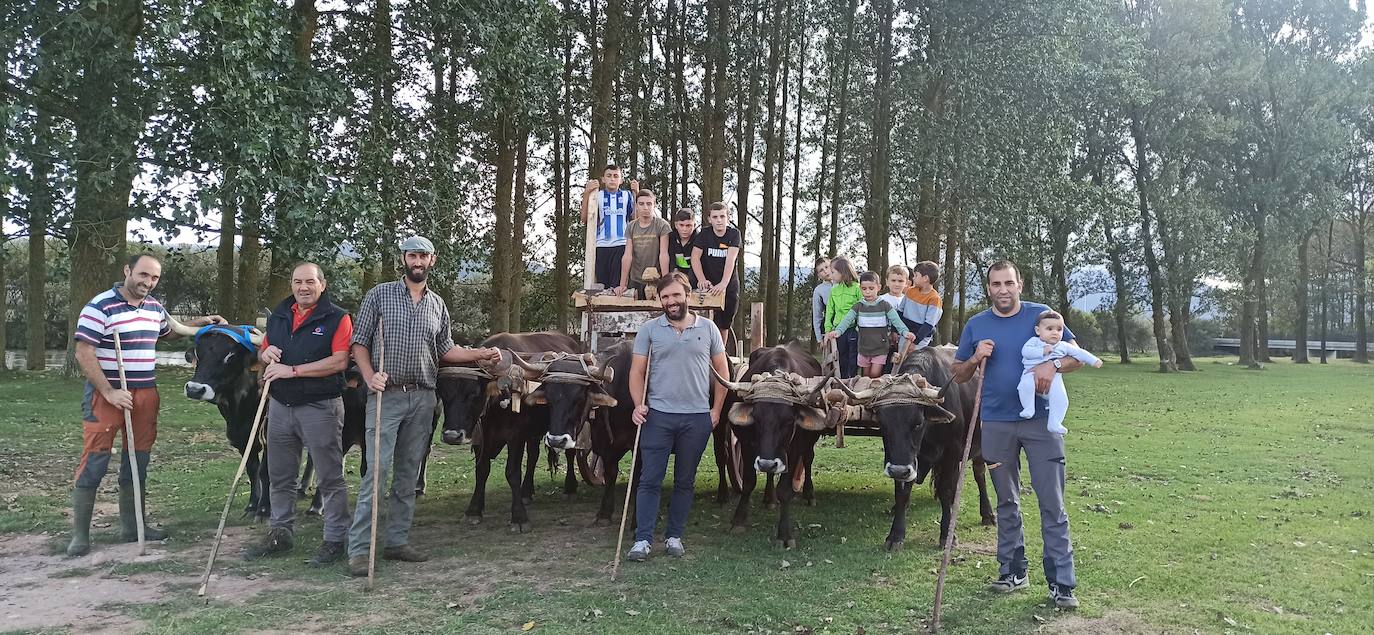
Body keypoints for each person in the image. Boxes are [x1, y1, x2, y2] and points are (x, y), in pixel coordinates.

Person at [347, 236, 501, 577]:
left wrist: (480, 354)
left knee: (407, 474)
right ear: (404, 258)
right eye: (413, 255)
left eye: (424, 256)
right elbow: (358, 342)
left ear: (432, 261)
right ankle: (360, 550)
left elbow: (445, 350)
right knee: (377, 472)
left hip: (424, 398)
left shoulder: (438, 305)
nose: (418, 261)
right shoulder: (379, 295)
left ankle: (397, 541)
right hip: (386, 396)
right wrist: (370, 375)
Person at [68, 254, 224, 556]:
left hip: (145, 393)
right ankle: (80, 536)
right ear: (128, 271)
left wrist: (202, 322)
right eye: (143, 275)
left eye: (153, 278)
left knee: (137, 460)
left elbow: (167, 332)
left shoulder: (154, 308)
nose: (148, 282)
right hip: (108, 394)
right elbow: (83, 352)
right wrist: (110, 392)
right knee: (96, 460)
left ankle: (132, 527)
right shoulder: (100, 306)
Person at [952, 260, 1084, 609]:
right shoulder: (976, 325)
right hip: (995, 424)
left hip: (1041, 424)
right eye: (996, 284)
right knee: (1006, 500)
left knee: (1051, 503)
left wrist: (1050, 365)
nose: (1003, 290)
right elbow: (959, 374)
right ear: (989, 288)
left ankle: (1061, 583)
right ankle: (1012, 570)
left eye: (1008, 283)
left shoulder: (1041, 315)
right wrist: (975, 357)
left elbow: (1075, 357)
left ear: (1020, 284)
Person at [243, 262, 354, 566]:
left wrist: (292, 371)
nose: (303, 287)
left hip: (321, 406)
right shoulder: (278, 315)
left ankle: (335, 539)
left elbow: (339, 362)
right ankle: (280, 532)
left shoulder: (337, 318)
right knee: (280, 475)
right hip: (280, 407)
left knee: (329, 477)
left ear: (322, 284)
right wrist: (264, 355)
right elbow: (264, 350)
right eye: (297, 282)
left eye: (309, 282)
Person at [626, 272, 729, 562]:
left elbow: (723, 374)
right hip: (657, 415)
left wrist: (716, 410)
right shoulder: (650, 330)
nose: (671, 301)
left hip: (696, 418)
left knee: (685, 480)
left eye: (675, 295)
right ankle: (643, 540)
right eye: (665, 297)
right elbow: (637, 372)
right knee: (650, 479)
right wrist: (638, 404)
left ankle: (674, 536)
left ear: (687, 295)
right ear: (660, 300)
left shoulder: (708, 329)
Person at [1018, 310, 1103, 434]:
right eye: (1049, 329)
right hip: (1030, 374)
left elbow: (1079, 353)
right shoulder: (1034, 342)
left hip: (1054, 379)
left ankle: (1055, 423)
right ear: (1038, 330)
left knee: (1061, 399)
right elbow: (1025, 352)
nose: (1055, 332)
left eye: (1059, 329)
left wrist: (1093, 360)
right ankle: (1028, 408)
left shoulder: (1063, 346)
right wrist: (1041, 351)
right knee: (1024, 386)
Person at [824, 272, 915, 378]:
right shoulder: (858, 306)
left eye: (871, 288)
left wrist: (905, 332)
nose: (867, 292)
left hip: (880, 348)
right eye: (864, 289)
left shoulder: (885, 305)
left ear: (878, 287)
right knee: (866, 375)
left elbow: (896, 321)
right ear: (860, 289)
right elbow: (847, 320)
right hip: (863, 348)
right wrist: (838, 331)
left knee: (874, 374)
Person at [580, 164, 640, 290]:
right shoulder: (597, 195)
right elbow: (585, 219)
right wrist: (586, 193)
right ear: (603, 179)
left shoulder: (627, 195)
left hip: (622, 245)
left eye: (615, 176)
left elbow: (635, 219)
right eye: (609, 176)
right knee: (602, 284)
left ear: (621, 180)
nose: (612, 179)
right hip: (601, 245)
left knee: (618, 285)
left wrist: (636, 193)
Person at [690, 202, 741, 343]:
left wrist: (723, 284)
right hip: (707, 284)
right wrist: (701, 279)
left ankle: (721, 353)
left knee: (724, 324)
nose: (719, 220)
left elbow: (731, 259)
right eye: (715, 217)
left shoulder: (734, 234)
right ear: (709, 219)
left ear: (728, 218)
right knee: (702, 321)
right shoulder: (704, 234)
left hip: (728, 285)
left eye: (722, 216)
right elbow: (695, 257)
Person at [615, 189, 671, 298]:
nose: (645, 207)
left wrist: (666, 283)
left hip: (656, 279)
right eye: (641, 204)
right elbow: (627, 256)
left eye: (649, 204)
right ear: (636, 206)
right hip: (636, 279)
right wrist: (622, 285)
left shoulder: (662, 225)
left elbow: (664, 255)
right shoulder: (631, 226)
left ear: (654, 205)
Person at [823, 256, 862, 378]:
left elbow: (862, 309)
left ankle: (853, 380)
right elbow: (829, 311)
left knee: (853, 358)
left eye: (833, 272)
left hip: (853, 330)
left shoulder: (857, 288)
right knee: (841, 358)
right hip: (837, 331)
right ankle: (842, 381)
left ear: (842, 271)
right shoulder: (834, 290)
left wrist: (859, 327)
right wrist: (828, 330)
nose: (831, 275)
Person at [901, 260, 943, 349]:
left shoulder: (934, 299)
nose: (913, 278)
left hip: (921, 339)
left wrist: (916, 342)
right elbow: (900, 311)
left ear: (925, 278)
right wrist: (896, 330)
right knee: (899, 359)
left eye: (916, 275)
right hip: (905, 333)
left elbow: (929, 324)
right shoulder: (910, 291)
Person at [666, 208, 699, 287]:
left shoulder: (699, 239)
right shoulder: (670, 238)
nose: (685, 229)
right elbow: (670, 259)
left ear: (694, 225)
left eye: (688, 225)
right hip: (674, 279)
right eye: (681, 225)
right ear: (676, 225)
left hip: (694, 281)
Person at [810, 257, 833, 346]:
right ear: (819, 275)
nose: (825, 271)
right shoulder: (819, 290)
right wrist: (819, 339)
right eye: (821, 270)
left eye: (827, 267)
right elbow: (817, 315)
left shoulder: (843, 284)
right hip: (829, 329)